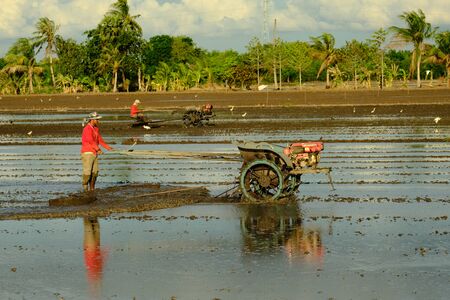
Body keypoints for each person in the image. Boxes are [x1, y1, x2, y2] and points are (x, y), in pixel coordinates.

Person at [81, 112, 112, 192]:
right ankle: (85, 189)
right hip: (88, 153)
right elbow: (90, 141)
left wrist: (108, 147)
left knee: (95, 172)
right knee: (87, 172)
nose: (98, 121)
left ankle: (92, 189)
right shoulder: (87, 129)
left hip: (94, 153)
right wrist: (98, 149)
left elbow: (100, 140)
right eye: (97, 119)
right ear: (92, 120)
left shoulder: (96, 129)